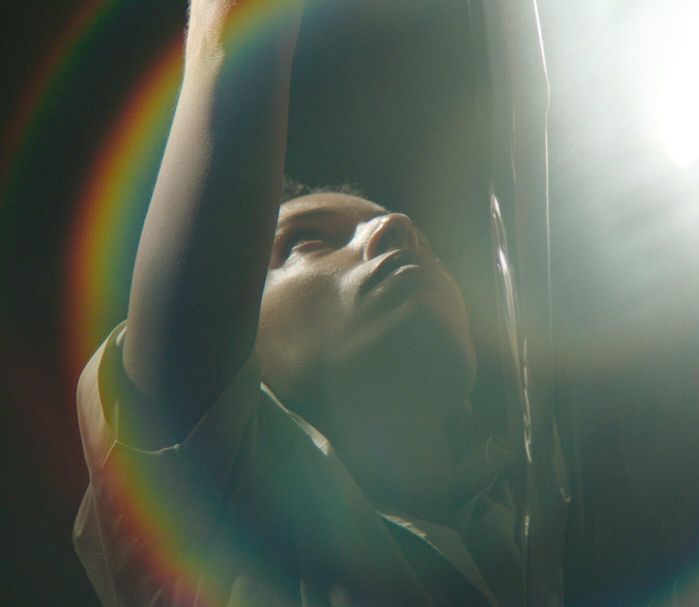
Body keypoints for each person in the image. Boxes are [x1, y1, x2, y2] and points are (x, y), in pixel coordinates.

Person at [73, 1, 523, 604]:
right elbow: (195, 318)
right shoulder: (210, 527)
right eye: (309, 240)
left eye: (411, 235)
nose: (393, 226)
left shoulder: (546, 531)